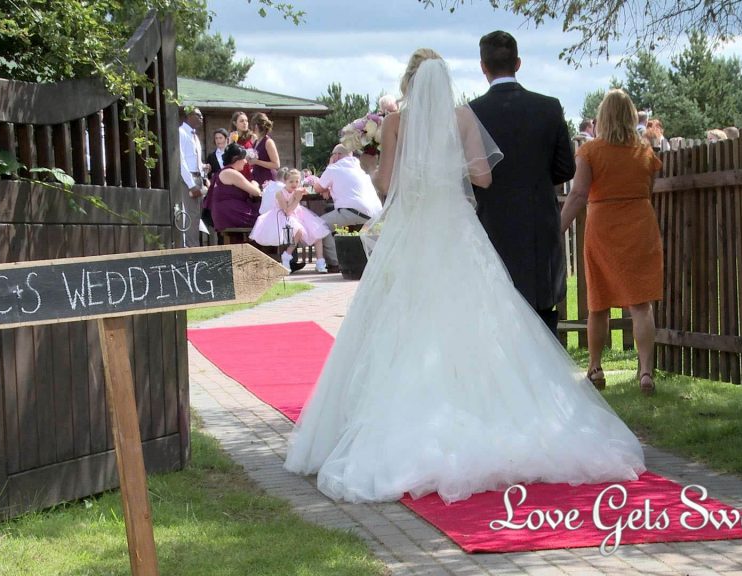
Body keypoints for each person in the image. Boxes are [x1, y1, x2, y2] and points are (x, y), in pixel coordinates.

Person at [284, 50, 645, 504]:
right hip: (456, 229)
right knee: (478, 318)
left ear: (410, 83)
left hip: (413, 231)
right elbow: (483, 178)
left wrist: (384, 158)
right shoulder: (462, 118)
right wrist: (447, 167)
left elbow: (383, 184)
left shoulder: (396, 124)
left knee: (400, 320)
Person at [469, 31, 576, 337]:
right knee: (542, 316)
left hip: (490, 227)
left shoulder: (470, 114)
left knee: (495, 316)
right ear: (518, 63)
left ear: (482, 66)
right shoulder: (549, 107)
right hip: (537, 228)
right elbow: (565, 168)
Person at [560, 89, 664, 396]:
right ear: (631, 116)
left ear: (602, 117)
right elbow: (649, 187)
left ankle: (595, 367)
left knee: (598, 302)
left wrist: (559, 229)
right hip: (639, 224)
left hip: (603, 226)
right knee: (641, 303)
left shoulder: (590, 152)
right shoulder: (644, 151)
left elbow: (578, 194)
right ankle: (645, 371)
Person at [312, 144, 384, 269]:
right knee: (334, 222)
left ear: (337, 155)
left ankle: (334, 262)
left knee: (319, 225)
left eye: (332, 154)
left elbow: (317, 187)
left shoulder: (334, 168)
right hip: (375, 214)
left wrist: (329, 167)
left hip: (352, 211)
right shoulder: (360, 168)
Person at [250, 169, 330, 273]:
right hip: (282, 216)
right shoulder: (279, 193)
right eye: (291, 181)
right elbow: (287, 211)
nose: (294, 184)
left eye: (297, 181)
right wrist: (297, 199)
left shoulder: (297, 191)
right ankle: (287, 255)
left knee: (317, 233)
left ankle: (320, 262)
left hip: (299, 214)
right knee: (298, 230)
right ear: (285, 182)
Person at [209, 142, 260, 232]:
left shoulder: (227, 171)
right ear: (236, 159)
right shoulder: (230, 173)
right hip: (230, 213)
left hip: (228, 212)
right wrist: (254, 183)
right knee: (263, 219)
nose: (245, 162)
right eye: (243, 159)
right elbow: (256, 192)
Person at [178, 106, 206, 246]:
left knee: (196, 215)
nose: (201, 118)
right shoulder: (181, 132)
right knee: (190, 213)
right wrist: (191, 184)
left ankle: (194, 244)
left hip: (198, 176)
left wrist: (203, 168)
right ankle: (190, 246)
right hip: (188, 179)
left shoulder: (194, 135)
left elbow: (194, 159)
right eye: (198, 115)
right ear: (189, 115)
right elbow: (181, 160)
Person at [201, 127, 231, 239]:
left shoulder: (231, 154)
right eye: (216, 138)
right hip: (217, 189)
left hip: (230, 188)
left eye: (220, 138)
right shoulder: (211, 156)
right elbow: (209, 175)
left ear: (226, 139)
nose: (218, 140)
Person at [248, 112, 281, 186]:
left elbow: (276, 164)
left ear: (256, 126)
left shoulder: (268, 142)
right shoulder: (256, 141)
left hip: (267, 178)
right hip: (257, 177)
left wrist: (256, 162)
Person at [229, 111, 256, 180]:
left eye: (246, 121)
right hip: (237, 173)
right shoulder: (232, 137)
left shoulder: (252, 137)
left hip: (250, 172)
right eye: (241, 121)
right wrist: (230, 142)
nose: (245, 123)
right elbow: (228, 158)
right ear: (235, 123)